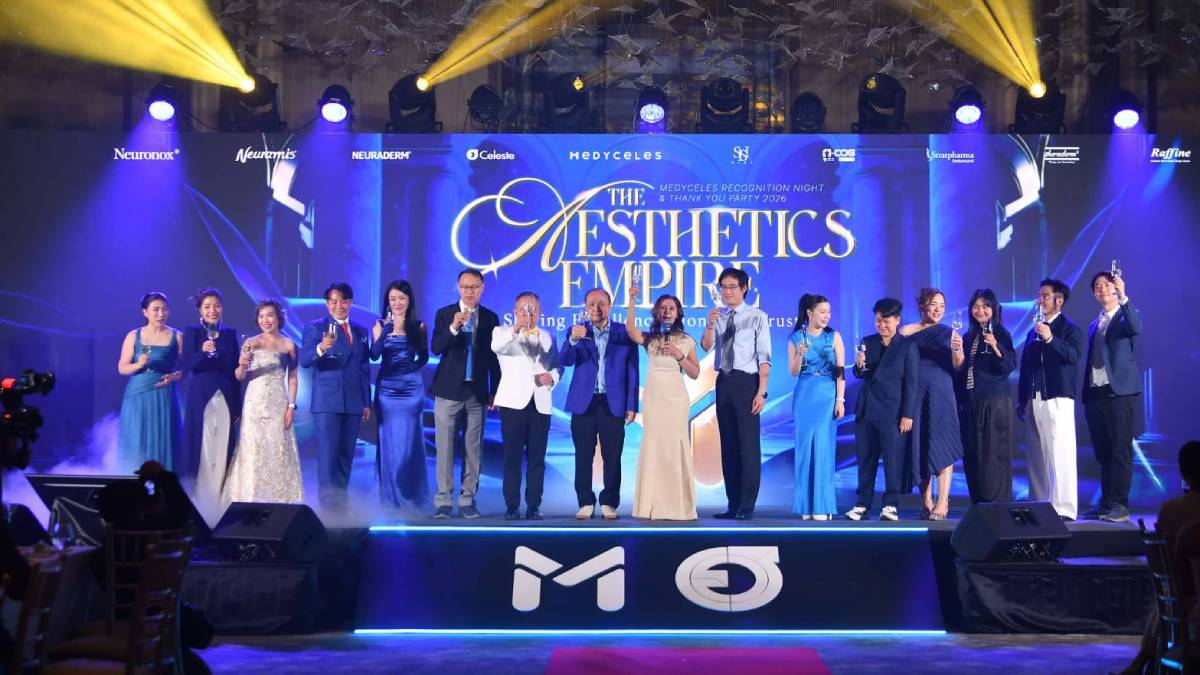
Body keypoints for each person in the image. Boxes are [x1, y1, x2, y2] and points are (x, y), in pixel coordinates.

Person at [1116, 441, 1200, 675]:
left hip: (1175, 598)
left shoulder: (1169, 510)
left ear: (1183, 472)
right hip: (1192, 601)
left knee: (1167, 596)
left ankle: (1140, 662)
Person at [561, 288, 638, 520]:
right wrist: (572, 340)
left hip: (613, 402)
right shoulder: (577, 330)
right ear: (586, 307)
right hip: (583, 402)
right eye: (592, 304)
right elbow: (565, 360)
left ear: (610, 306)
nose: (597, 308)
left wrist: (632, 404)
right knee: (583, 455)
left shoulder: (624, 333)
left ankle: (609, 503)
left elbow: (632, 370)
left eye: (601, 303)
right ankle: (585, 502)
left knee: (613, 456)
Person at [430, 269, 502, 519]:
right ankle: (443, 500)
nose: (469, 291)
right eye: (465, 286)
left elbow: (494, 358)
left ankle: (468, 499)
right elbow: (436, 347)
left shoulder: (491, 317)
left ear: (482, 288)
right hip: (448, 391)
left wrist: (495, 390)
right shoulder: (445, 314)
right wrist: (453, 327)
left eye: (474, 287)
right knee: (445, 448)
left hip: (477, 392)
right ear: (458, 287)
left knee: (474, 449)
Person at [701, 268, 772, 520]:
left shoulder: (757, 316)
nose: (727, 292)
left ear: (744, 288)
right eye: (723, 287)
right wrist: (710, 324)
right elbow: (706, 346)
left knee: (748, 446)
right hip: (724, 382)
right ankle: (733, 503)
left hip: (747, 382)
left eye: (732, 287)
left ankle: (747, 504)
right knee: (728, 445)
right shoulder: (719, 317)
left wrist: (761, 392)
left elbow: (764, 356)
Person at [626, 287, 701, 520]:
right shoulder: (650, 339)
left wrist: (679, 355)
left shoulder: (687, 340)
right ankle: (649, 505)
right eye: (663, 308)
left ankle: (677, 505)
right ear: (656, 313)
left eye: (672, 308)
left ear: (678, 313)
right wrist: (632, 299)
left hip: (676, 399)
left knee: (675, 447)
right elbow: (630, 330)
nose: (667, 312)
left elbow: (695, 373)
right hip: (654, 398)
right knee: (654, 445)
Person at [222, 299, 303, 507]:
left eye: (269, 315)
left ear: (278, 318)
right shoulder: (250, 343)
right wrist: (241, 365)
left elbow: (293, 378)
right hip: (254, 401)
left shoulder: (288, 345)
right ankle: (250, 497)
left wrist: (291, 406)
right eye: (261, 316)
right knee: (253, 447)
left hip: (278, 401)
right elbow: (240, 376)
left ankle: (279, 498)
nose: (265, 320)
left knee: (277, 447)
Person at [1017, 278, 1086, 521]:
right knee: (1037, 454)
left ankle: (1064, 507)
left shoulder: (1069, 329)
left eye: (1045, 296)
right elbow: (1026, 368)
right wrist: (1022, 399)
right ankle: (1039, 504)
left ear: (1059, 300)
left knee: (1060, 451)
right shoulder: (1033, 331)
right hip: (1034, 398)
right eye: (1039, 296)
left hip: (1058, 397)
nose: (1040, 300)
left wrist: (1050, 339)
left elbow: (1073, 355)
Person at [299, 282, 371, 510]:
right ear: (327, 303)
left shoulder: (360, 331)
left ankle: (341, 503)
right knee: (328, 455)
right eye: (333, 301)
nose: (338, 305)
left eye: (343, 301)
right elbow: (305, 360)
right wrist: (321, 347)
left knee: (345, 456)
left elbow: (364, 368)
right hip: (327, 401)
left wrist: (366, 401)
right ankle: (328, 507)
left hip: (353, 401)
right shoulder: (315, 327)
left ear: (350, 303)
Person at [846, 298, 918, 521]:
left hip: (893, 412)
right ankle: (862, 504)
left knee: (892, 461)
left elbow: (912, 383)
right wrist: (859, 365)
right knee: (865, 460)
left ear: (897, 320)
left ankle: (890, 505)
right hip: (867, 410)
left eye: (886, 320)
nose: (882, 325)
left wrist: (908, 414)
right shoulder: (868, 342)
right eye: (878, 320)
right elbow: (860, 373)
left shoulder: (907, 346)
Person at [491, 292, 560, 520]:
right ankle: (512, 506)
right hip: (513, 403)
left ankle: (534, 506)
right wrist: (517, 328)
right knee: (512, 458)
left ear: (540, 312)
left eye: (533, 310)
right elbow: (497, 348)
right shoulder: (502, 333)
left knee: (537, 459)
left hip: (540, 404)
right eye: (523, 309)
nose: (528, 314)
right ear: (515, 311)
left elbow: (558, 365)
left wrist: (552, 376)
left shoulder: (549, 336)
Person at [898, 288, 965, 521]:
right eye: (934, 304)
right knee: (920, 443)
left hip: (942, 391)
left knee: (942, 442)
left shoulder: (949, 332)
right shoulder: (906, 331)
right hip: (915, 391)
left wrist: (957, 350)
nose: (938, 309)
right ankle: (926, 501)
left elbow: (958, 365)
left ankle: (943, 500)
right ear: (922, 306)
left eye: (942, 306)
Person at [1082, 271, 1142, 523]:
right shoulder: (1094, 323)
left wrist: (1125, 296)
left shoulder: (1127, 315)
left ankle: (1120, 504)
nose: (1103, 289)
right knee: (1103, 451)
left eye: (1107, 285)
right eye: (1098, 286)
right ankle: (1107, 502)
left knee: (1120, 449)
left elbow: (1136, 328)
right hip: (1096, 393)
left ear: (1116, 288)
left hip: (1119, 392)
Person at [180, 288, 241, 516]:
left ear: (222, 308)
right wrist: (202, 352)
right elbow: (187, 366)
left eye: (216, 305)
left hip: (224, 392)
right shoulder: (193, 332)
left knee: (222, 443)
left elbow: (235, 371)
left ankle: (219, 496)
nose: (212, 310)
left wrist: (237, 404)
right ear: (200, 310)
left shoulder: (230, 333)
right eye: (207, 307)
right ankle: (196, 496)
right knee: (201, 442)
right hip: (201, 393)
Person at [370, 280, 430, 511]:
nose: (397, 303)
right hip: (386, 390)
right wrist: (385, 331)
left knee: (409, 444)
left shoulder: (419, 326)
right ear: (387, 301)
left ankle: (411, 494)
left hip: (411, 390)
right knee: (389, 442)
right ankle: (391, 497)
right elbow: (374, 355)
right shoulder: (379, 325)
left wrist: (412, 369)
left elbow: (424, 357)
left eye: (401, 298)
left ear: (409, 300)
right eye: (393, 299)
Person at [954, 289, 1017, 504]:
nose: (980, 311)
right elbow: (961, 370)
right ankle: (978, 505)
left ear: (994, 309)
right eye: (976, 306)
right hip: (971, 402)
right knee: (972, 455)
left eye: (985, 306)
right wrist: (956, 352)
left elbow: (1008, 365)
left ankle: (996, 507)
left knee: (993, 457)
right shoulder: (969, 336)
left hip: (994, 402)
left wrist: (995, 345)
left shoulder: (1000, 333)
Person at [789, 294, 846, 520]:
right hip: (804, 395)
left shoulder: (834, 337)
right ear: (809, 313)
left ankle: (822, 505)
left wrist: (840, 400)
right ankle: (805, 506)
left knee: (823, 448)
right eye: (822, 312)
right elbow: (793, 372)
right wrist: (799, 355)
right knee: (804, 449)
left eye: (828, 312)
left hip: (827, 395)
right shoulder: (796, 338)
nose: (826, 316)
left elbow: (840, 372)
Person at [117, 292, 183, 472]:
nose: (161, 314)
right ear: (145, 312)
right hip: (138, 393)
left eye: (165, 309)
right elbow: (122, 368)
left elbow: (184, 369)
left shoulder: (176, 336)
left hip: (164, 392)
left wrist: (173, 377)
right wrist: (138, 364)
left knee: (164, 437)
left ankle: (164, 483)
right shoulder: (133, 335)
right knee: (137, 436)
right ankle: (133, 481)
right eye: (156, 310)